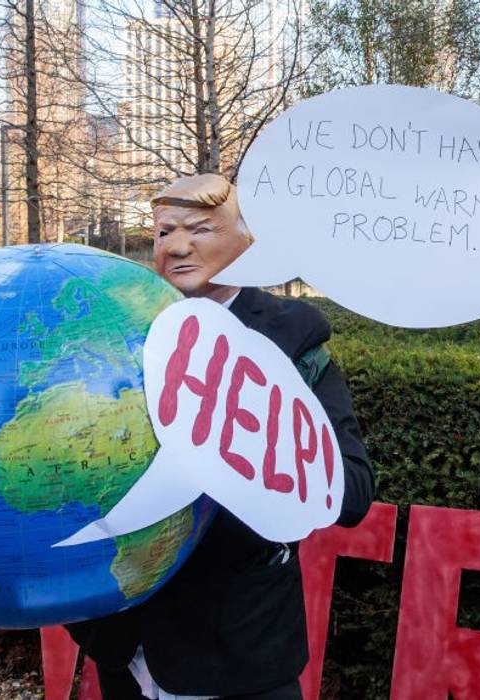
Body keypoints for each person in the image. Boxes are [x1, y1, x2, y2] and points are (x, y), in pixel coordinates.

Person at [67, 173, 375, 700]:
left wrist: (243, 420)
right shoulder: (120, 329)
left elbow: (352, 491)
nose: (176, 246)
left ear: (247, 240)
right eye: (164, 232)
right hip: (127, 641)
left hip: (239, 650)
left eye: (200, 229)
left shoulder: (292, 338)